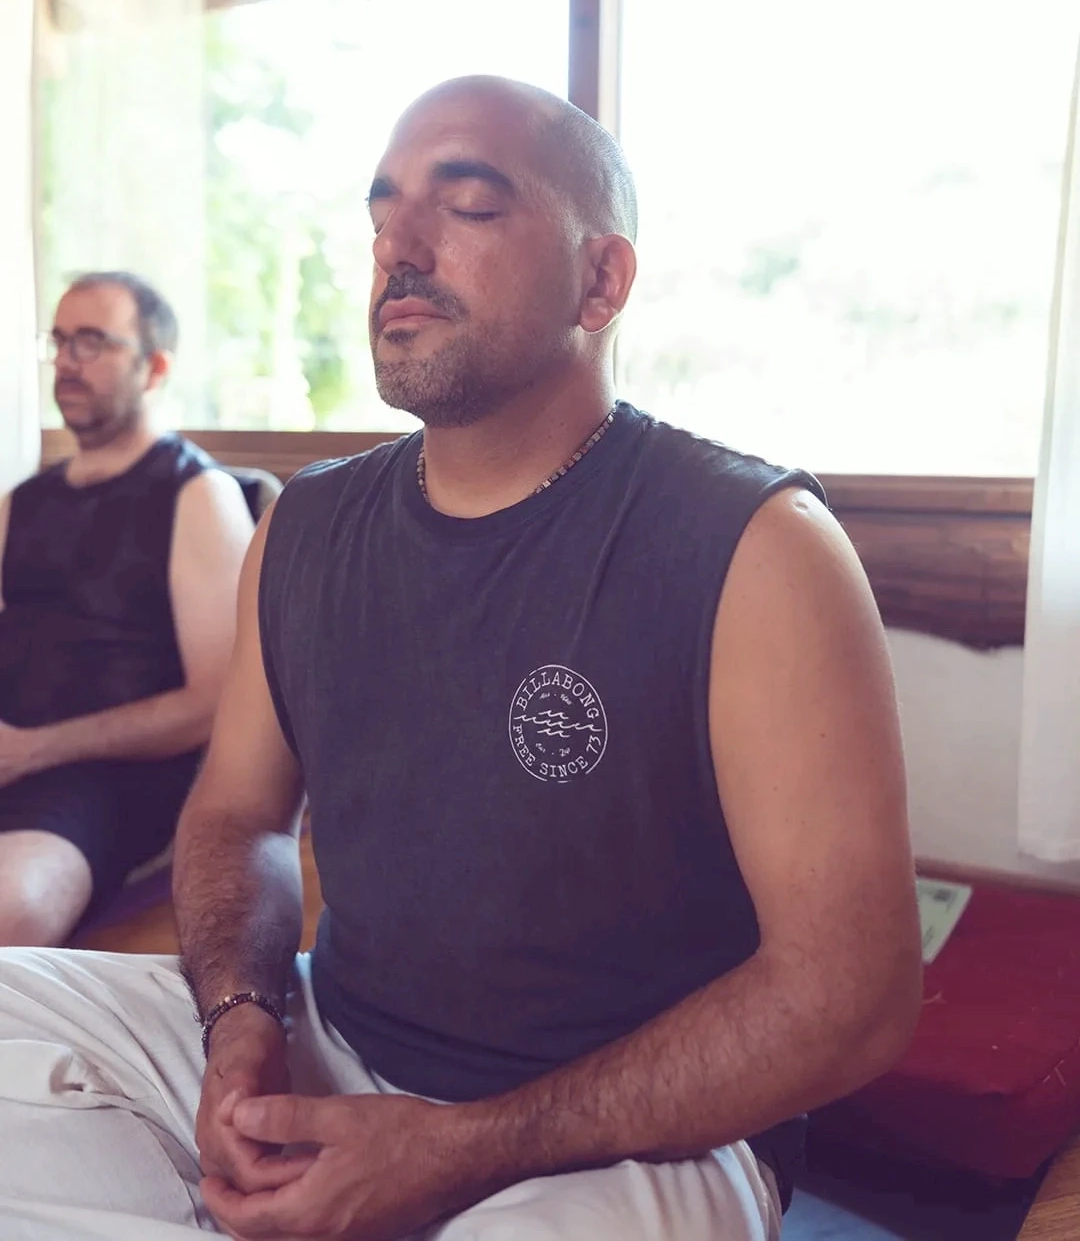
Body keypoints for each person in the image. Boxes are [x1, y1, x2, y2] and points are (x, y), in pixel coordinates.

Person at [0, 80, 921, 1240]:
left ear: (601, 280)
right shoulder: (305, 525)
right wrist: (242, 1019)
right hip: (332, 1032)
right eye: (381, 216)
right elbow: (236, 817)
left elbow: (851, 995)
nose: (400, 247)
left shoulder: (757, 546)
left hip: (628, 1130)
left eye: (469, 206)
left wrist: (457, 1149)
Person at [0, 271, 253, 946]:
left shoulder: (198, 494)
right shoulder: (23, 503)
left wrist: (32, 751)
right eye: (59, 341)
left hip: (102, 780)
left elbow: (216, 702)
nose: (66, 362)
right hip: (10, 748)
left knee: (12, 906)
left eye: (91, 342)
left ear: (155, 368)